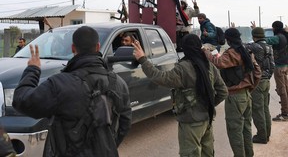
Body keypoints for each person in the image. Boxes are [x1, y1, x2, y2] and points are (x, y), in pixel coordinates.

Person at [12, 26, 132, 157]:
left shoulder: (59, 84)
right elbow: (125, 123)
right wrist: (108, 146)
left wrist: (33, 70)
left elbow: (22, 101)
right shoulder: (119, 83)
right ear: (98, 47)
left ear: (73, 48)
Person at [133, 34, 228, 157]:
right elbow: (223, 91)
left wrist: (143, 60)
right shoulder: (208, 65)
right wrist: (209, 103)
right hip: (207, 119)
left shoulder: (183, 68)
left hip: (191, 122)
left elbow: (160, 77)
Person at [203, 28, 261, 157]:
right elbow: (257, 72)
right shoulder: (246, 50)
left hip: (235, 96)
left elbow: (218, 63)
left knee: (235, 131)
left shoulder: (232, 53)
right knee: (246, 128)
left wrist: (207, 52)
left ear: (228, 39)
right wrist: (250, 88)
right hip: (246, 95)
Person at [245, 27, 275, 144]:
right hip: (266, 80)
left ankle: (262, 136)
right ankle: (267, 134)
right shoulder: (268, 47)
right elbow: (272, 65)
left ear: (254, 36)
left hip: (258, 81)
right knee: (265, 109)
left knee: (257, 110)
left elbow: (240, 46)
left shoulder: (254, 47)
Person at [265, 21, 288, 121]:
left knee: (282, 90)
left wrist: (254, 30)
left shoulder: (278, 37)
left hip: (279, 67)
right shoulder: (285, 36)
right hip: (285, 65)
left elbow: (263, 40)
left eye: (273, 27)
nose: (272, 29)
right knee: (286, 89)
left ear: (275, 28)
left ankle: (285, 114)